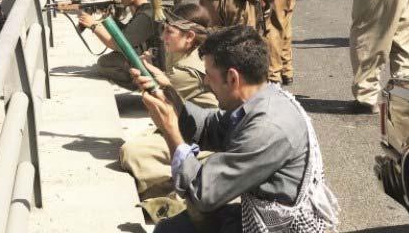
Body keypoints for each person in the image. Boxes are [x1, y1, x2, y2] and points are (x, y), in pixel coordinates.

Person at [129, 25, 339, 233]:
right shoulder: (261, 99)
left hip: (275, 227)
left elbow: (203, 194)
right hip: (258, 214)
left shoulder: (267, 128)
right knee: (172, 228)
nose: (205, 81)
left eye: (209, 74)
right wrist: (170, 97)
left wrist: (170, 129)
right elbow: (209, 127)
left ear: (232, 78)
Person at [120, 4, 218, 207]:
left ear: (189, 37)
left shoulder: (189, 70)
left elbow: (159, 103)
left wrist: (146, 73)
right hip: (191, 127)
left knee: (131, 153)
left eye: (169, 32)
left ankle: (181, 181)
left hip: (204, 139)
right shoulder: (191, 53)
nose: (163, 37)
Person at [78, 0, 157, 90]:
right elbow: (128, 33)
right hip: (147, 56)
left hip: (152, 64)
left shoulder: (145, 15)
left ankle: (140, 85)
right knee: (107, 62)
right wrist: (109, 20)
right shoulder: (145, 10)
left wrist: (94, 26)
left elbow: (119, 45)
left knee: (103, 64)